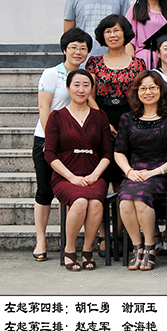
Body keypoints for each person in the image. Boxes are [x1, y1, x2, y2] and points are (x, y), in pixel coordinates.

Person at [32, 28, 93, 262]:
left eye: (83, 48)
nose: (78, 52)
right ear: (64, 49)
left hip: (73, 142)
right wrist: (51, 140)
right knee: (44, 190)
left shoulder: (85, 76)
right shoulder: (51, 74)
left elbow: (91, 104)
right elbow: (44, 107)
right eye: (73, 47)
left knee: (67, 191)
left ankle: (66, 240)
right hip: (47, 139)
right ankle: (41, 239)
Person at [44, 69, 112, 271]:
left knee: (96, 203)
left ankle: (88, 250)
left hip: (94, 175)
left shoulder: (100, 117)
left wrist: (95, 175)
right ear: (68, 88)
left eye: (86, 85)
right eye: (76, 85)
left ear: (91, 89)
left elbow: (107, 153)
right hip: (65, 177)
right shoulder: (57, 117)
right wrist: (71, 177)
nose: (81, 90)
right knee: (80, 201)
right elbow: (50, 154)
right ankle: (70, 248)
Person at [114, 71, 167, 271]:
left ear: (161, 90)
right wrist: (128, 171)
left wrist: (156, 172)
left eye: (153, 87)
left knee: (141, 199)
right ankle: (138, 247)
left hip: (164, 173)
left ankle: (151, 246)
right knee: (125, 201)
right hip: (135, 172)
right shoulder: (128, 118)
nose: (148, 92)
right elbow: (119, 151)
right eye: (143, 88)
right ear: (137, 92)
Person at [85, 14, 148, 134]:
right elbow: (89, 95)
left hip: (131, 118)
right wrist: (102, 122)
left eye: (116, 30)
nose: (112, 35)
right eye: (108, 31)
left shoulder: (138, 64)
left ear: (125, 33)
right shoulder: (94, 63)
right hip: (100, 116)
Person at [126, 0, 167, 68]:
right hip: (142, 60)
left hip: (164, 60)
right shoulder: (134, 10)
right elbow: (130, 42)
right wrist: (131, 66)